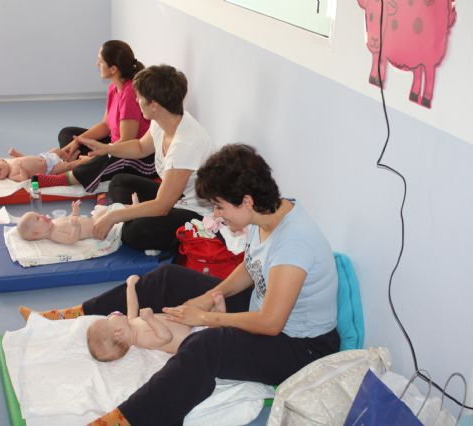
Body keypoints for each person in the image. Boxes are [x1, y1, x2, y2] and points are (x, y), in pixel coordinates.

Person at [18, 144, 340, 426]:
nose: (217, 215)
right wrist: (209, 296)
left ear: (246, 201)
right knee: (168, 278)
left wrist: (206, 317)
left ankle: (129, 419)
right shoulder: (265, 214)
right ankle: (76, 313)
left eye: (219, 207)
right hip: (264, 306)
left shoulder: (293, 244)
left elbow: (270, 323)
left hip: (300, 347)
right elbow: (250, 267)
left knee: (205, 346)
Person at [75, 64, 214, 252]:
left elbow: (162, 206)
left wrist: (113, 216)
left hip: (194, 213)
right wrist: (107, 148)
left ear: (154, 105)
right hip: (174, 198)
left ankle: (135, 222)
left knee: (136, 232)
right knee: (119, 183)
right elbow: (140, 147)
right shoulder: (163, 120)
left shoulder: (185, 144)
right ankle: (135, 216)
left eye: (139, 97)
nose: (137, 100)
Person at [37, 40, 157, 193]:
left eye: (100, 61)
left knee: (107, 156)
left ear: (113, 69)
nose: (97, 64)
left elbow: (126, 141)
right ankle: (84, 164)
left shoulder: (129, 93)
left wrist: (98, 155)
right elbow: (106, 125)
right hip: (115, 144)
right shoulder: (113, 87)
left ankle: (70, 174)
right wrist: (78, 141)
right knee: (67, 133)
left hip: (136, 156)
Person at [86, 275, 226, 361]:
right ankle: (218, 316)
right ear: (118, 332)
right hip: (191, 336)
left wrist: (130, 286)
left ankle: (215, 315)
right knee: (208, 334)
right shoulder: (141, 340)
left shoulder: (131, 323)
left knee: (188, 309)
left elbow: (132, 305)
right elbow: (165, 337)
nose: (111, 315)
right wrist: (150, 319)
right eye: (108, 319)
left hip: (187, 323)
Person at [17, 200, 108, 244]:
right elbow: (71, 239)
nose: (42, 215)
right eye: (38, 218)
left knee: (107, 210)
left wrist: (74, 212)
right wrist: (76, 227)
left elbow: (70, 219)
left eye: (39, 214)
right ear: (36, 233)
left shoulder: (54, 222)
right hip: (97, 228)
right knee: (110, 216)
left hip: (93, 219)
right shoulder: (54, 234)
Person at [0, 147, 82, 182]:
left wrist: (15, 153)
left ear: (2, 160)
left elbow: (24, 157)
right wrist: (22, 170)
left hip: (44, 157)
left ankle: (68, 159)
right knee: (67, 167)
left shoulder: (12, 161)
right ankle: (82, 161)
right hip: (48, 169)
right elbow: (23, 179)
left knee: (58, 150)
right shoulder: (12, 176)